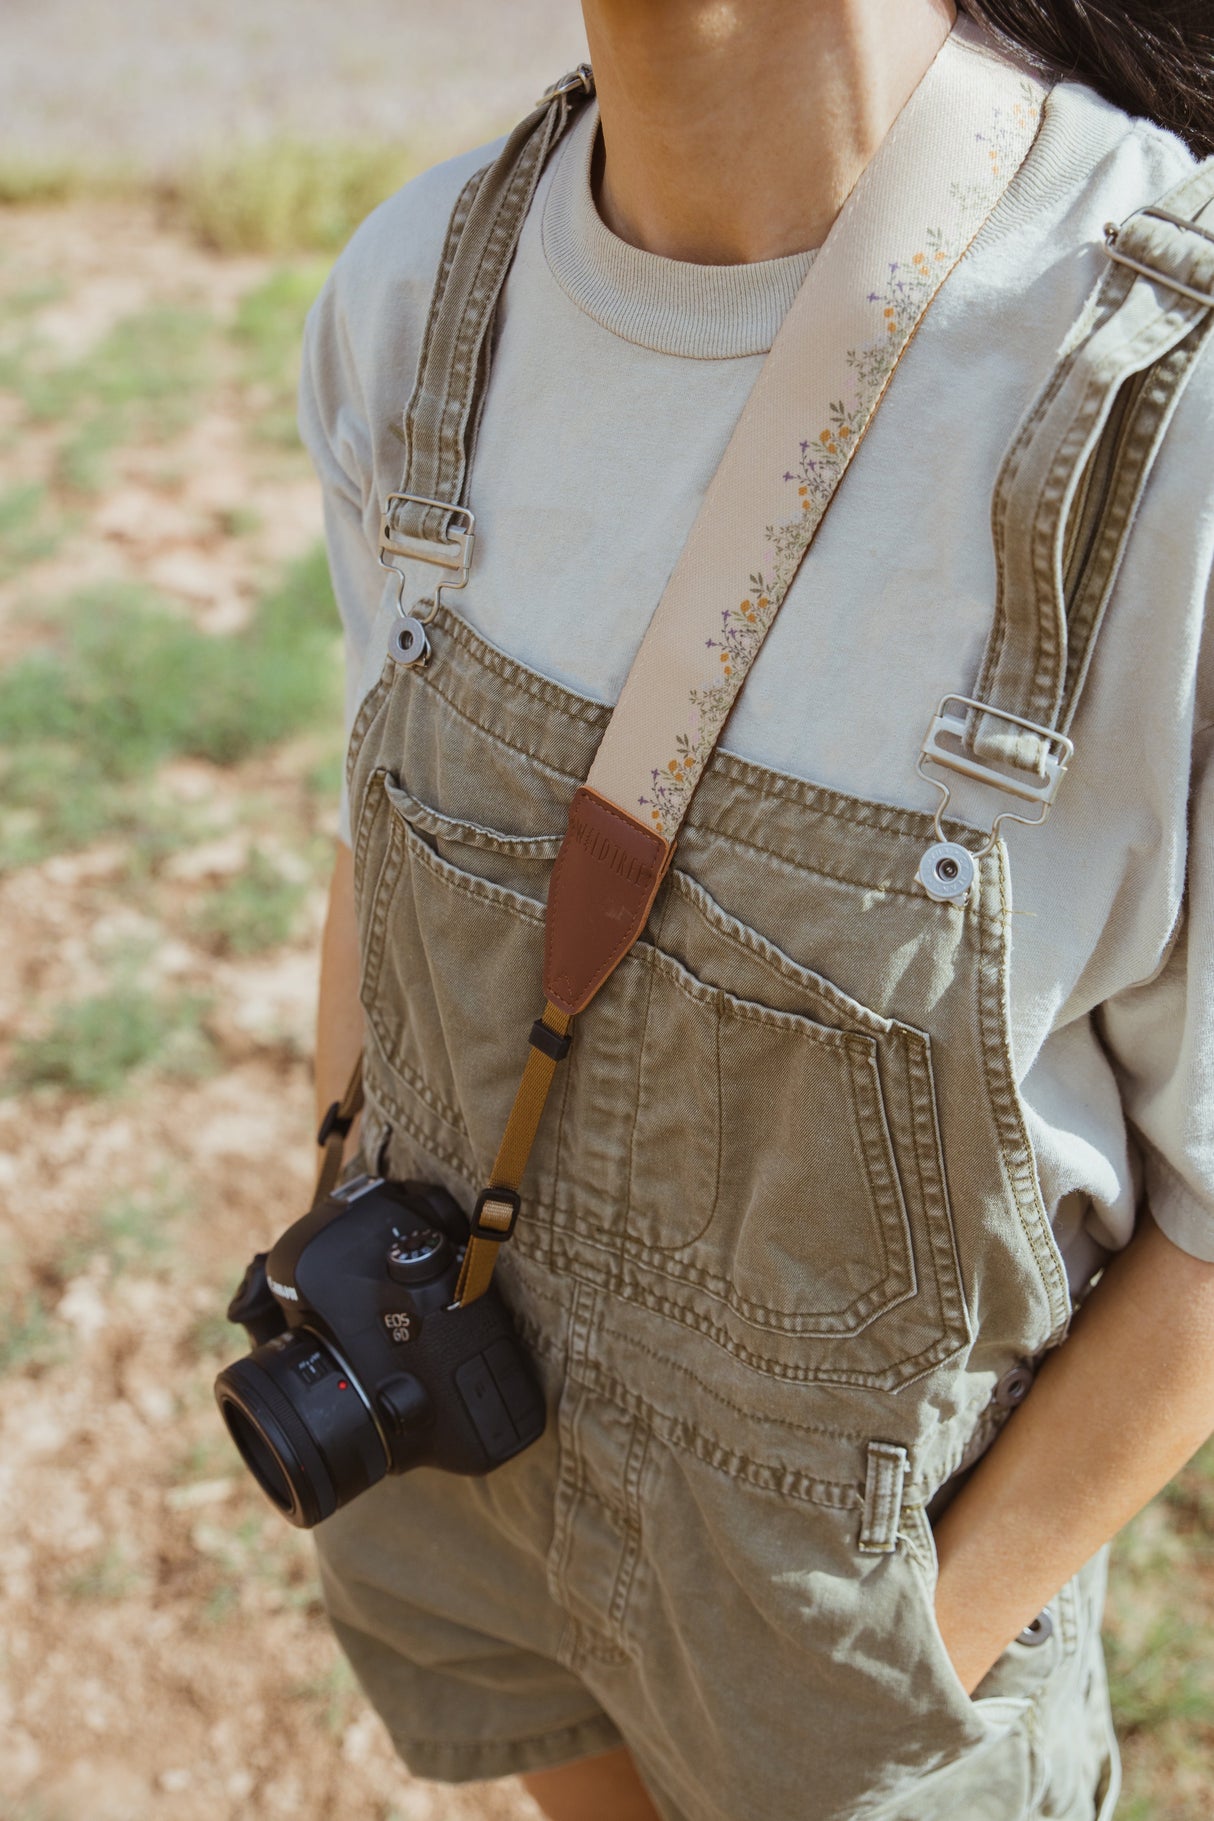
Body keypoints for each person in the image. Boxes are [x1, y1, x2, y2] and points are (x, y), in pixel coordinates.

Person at [299, 3, 1214, 1816]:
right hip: (464, 1542)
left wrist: (891, 1693)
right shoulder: (414, 291)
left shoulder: (1165, 403)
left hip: (858, 1707)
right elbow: (370, 852)